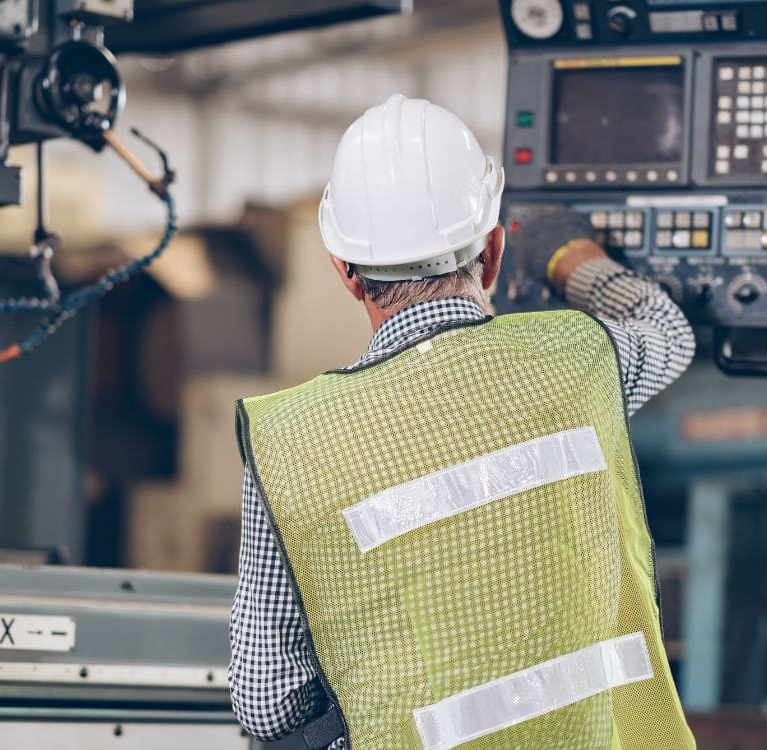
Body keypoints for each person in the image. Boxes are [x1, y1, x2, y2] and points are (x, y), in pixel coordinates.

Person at [230, 94, 696, 750]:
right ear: (495, 249)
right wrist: (569, 257)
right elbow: (667, 332)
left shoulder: (291, 442)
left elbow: (266, 702)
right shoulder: (579, 363)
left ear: (346, 272)